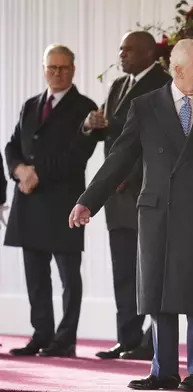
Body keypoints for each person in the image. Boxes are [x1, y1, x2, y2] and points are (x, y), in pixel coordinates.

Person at [69, 39, 193, 391]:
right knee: (160, 293)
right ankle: (163, 371)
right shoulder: (145, 106)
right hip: (158, 213)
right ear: (178, 70)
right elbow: (119, 159)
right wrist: (88, 201)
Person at [4, 44, 97, 358]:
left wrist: (36, 174)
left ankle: (65, 339)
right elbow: (12, 145)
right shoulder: (31, 104)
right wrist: (19, 170)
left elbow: (77, 157)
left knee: (69, 276)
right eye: (52, 67)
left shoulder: (85, 107)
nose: (57, 73)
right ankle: (41, 334)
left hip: (64, 204)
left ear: (73, 69)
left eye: (63, 68)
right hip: (29, 202)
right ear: (44, 68)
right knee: (35, 276)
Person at [84, 30, 171, 361]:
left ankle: (153, 340)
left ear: (150, 52)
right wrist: (93, 126)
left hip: (146, 190)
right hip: (117, 197)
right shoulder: (119, 85)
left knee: (151, 268)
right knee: (123, 269)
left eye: (129, 50)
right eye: (121, 49)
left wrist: (128, 175)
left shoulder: (163, 83)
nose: (122, 55)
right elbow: (115, 134)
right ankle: (128, 339)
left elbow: (161, 139)